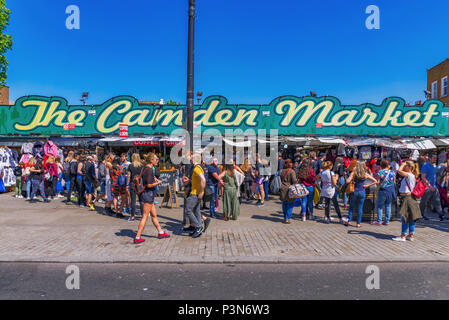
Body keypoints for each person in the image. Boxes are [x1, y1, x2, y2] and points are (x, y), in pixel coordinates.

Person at [134, 153, 170, 243]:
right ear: (151, 160)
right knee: (145, 217)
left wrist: (155, 180)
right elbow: (149, 185)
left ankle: (160, 232)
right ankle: (137, 237)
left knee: (154, 215)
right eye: (156, 159)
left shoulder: (144, 168)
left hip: (147, 195)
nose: (157, 161)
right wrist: (158, 183)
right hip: (147, 195)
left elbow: (147, 180)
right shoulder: (149, 170)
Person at [393, 161, 422, 242]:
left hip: (407, 197)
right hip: (410, 197)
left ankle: (403, 236)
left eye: (406, 166)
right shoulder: (411, 176)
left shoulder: (409, 175)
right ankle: (410, 235)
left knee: (405, 217)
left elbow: (398, 171)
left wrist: (402, 164)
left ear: (409, 167)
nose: (404, 167)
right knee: (411, 217)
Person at [345, 161, 377, 227]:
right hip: (362, 191)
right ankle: (358, 223)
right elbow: (375, 181)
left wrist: (348, 177)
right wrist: (367, 185)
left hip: (354, 191)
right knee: (360, 207)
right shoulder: (365, 174)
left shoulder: (354, 173)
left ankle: (349, 221)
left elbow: (347, 181)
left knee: (351, 207)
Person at [184, 153, 208, 238]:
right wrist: (190, 180)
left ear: (194, 160)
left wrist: (201, 191)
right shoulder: (198, 167)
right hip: (196, 193)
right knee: (197, 211)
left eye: (191, 158)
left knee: (188, 210)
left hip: (195, 194)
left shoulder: (196, 169)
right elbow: (198, 180)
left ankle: (198, 227)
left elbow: (203, 180)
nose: (190, 159)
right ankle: (198, 229)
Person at [420, 155, 446, 221]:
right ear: (430, 158)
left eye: (436, 158)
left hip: (434, 187)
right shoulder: (426, 166)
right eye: (434, 158)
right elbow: (423, 177)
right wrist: (429, 185)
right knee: (424, 202)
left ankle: (441, 215)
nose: (435, 159)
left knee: (437, 201)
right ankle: (421, 215)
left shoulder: (434, 166)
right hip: (427, 187)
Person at [373, 160, 396, 226]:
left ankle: (379, 221)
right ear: (388, 165)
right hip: (390, 190)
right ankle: (387, 221)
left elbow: (378, 182)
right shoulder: (392, 172)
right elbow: (394, 182)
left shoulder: (380, 172)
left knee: (380, 206)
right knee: (388, 205)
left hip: (383, 190)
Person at [279, 159, 297, 224]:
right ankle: (287, 218)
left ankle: (285, 216)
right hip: (290, 188)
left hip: (283, 187)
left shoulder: (282, 171)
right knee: (290, 203)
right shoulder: (292, 171)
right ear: (290, 164)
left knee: (284, 203)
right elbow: (294, 180)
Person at [127, 153, 144, 222]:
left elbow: (128, 175)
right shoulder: (142, 166)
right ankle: (143, 216)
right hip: (140, 184)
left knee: (133, 201)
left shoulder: (130, 165)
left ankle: (132, 216)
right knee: (141, 201)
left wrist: (127, 184)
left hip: (132, 184)